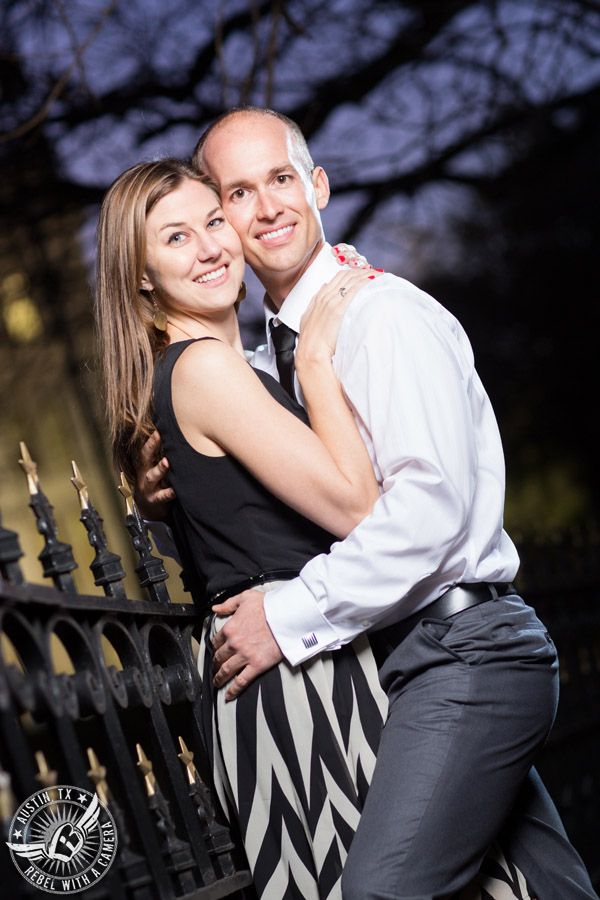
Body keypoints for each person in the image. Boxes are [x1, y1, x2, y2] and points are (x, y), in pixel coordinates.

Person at [137, 108, 598, 900]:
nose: (267, 207)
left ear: (317, 186)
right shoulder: (259, 360)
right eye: (237, 195)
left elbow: (429, 516)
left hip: (463, 648)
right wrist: (162, 476)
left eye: (281, 178)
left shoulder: (379, 317)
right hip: (405, 659)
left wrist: (287, 615)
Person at [95, 156, 393, 900]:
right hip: (302, 679)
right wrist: (318, 362)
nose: (209, 247)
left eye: (213, 221)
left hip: (303, 662)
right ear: (140, 275)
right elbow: (357, 510)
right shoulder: (203, 369)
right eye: (174, 238)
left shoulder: (215, 370)